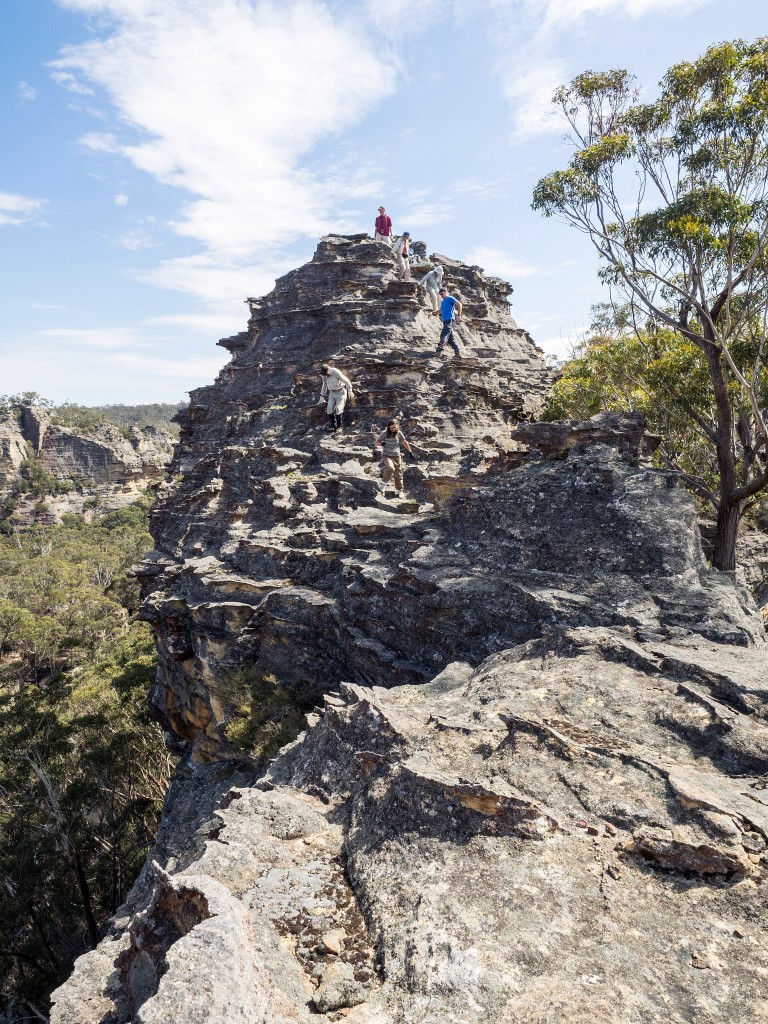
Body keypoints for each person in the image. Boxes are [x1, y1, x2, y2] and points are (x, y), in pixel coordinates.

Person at [375, 419, 414, 498]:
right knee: (390, 468)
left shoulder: (399, 433)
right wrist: (382, 443)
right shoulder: (384, 433)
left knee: (398, 473)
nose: (393, 429)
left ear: (397, 427)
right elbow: (376, 442)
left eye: (394, 427)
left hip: (396, 455)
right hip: (387, 455)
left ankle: (400, 491)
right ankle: (383, 484)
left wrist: (410, 452)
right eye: (391, 427)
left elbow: (404, 442)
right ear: (388, 427)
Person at [319, 364, 353, 431]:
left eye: (327, 373)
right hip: (332, 393)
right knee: (329, 409)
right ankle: (333, 426)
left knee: (338, 408)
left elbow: (347, 381)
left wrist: (350, 391)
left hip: (341, 391)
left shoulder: (336, 372)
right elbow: (324, 386)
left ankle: (339, 427)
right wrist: (322, 397)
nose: (326, 375)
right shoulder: (324, 375)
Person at [436, 286, 462, 356]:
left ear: (445, 293)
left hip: (450, 320)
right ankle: (457, 352)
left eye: (442, 294)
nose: (441, 296)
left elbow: (459, 304)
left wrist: (459, 315)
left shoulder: (450, 298)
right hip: (445, 321)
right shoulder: (442, 301)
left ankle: (439, 350)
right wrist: (432, 313)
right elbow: (440, 311)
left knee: (443, 335)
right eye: (440, 294)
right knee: (450, 339)